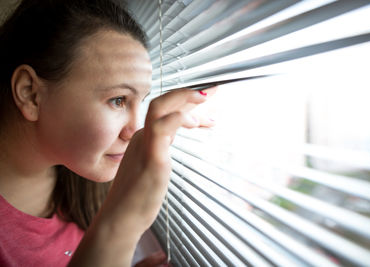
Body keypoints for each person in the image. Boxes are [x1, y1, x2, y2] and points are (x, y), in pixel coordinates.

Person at [0, 0, 216, 266]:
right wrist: (121, 225)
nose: (134, 131)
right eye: (118, 100)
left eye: (141, 101)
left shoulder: (80, 183)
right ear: (30, 94)